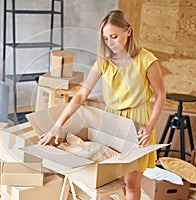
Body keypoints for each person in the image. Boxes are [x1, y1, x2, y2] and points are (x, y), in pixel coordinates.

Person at [38, 10, 166, 200]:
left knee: (131, 182)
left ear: (128, 31)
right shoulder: (104, 62)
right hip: (113, 122)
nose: (110, 43)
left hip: (138, 123)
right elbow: (81, 95)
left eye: (114, 36)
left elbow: (161, 94)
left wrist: (150, 125)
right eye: (106, 38)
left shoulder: (147, 60)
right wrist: (57, 125)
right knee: (116, 178)